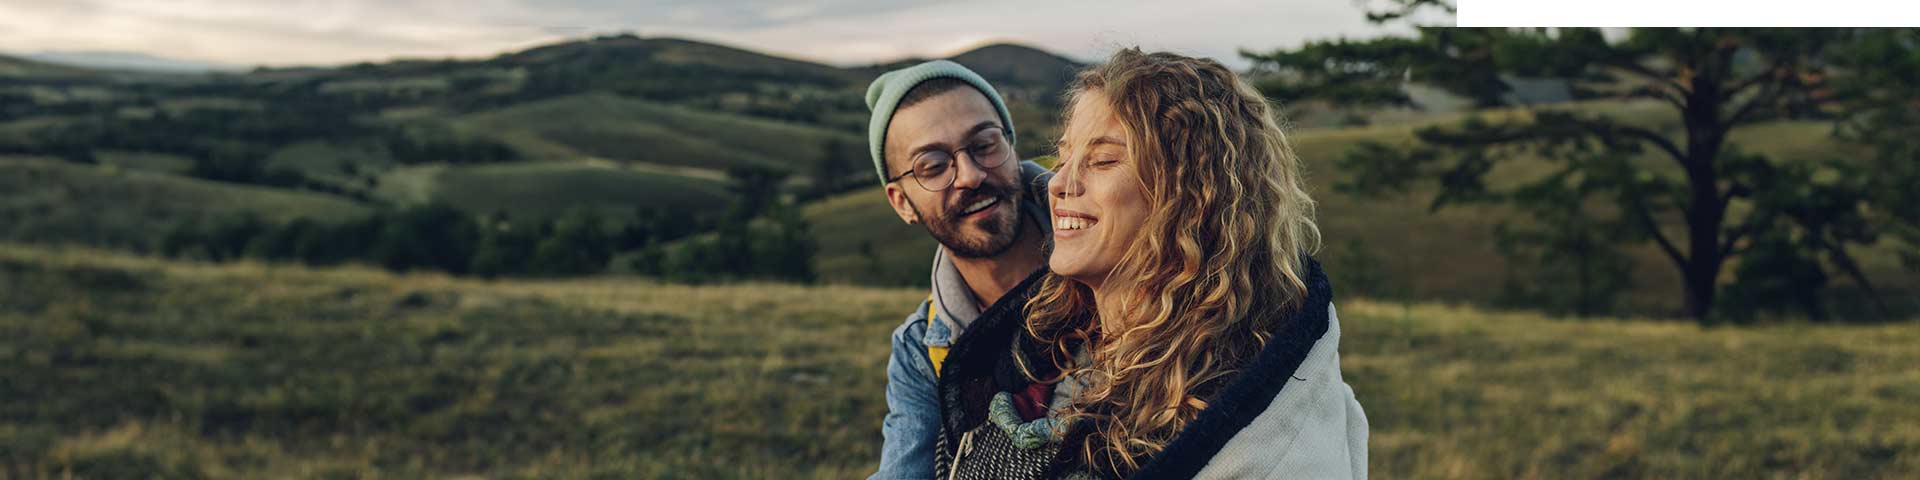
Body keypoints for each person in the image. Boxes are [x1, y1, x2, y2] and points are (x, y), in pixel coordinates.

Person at [930, 48, 1368, 479]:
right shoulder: (1042, 347)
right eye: (1063, 158)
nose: (1059, 182)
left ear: (1191, 198)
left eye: (1102, 160)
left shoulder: (1254, 425)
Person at [864, 60, 1055, 480]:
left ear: (1011, 144)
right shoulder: (921, 350)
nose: (969, 175)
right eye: (933, 166)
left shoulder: (1123, 256)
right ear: (900, 202)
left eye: (985, 144)